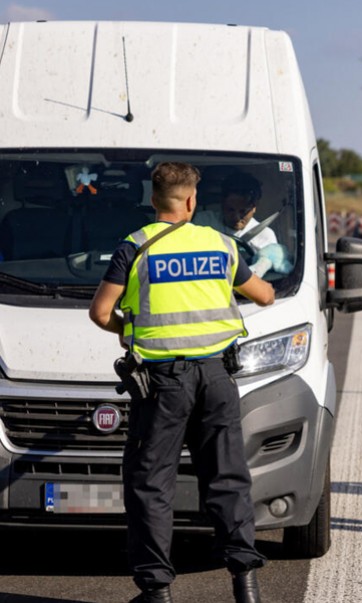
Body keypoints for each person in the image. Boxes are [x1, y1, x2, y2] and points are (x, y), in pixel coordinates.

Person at [89, 162, 275, 603]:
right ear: (191, 200)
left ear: (153, 200)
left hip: (163, 384)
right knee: (227, 477)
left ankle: (157, 592)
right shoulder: (219, 244)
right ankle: (245, 583)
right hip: (216, 377)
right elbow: (265, 295)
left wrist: (130, 330)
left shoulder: (135, 246)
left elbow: (100, 312)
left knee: (152, 484)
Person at [194, 171, 277, 250]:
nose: (236, 218)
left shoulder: (264, 235)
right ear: (222, 203)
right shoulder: (202, 223)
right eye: (230, 210)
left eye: (243, 212)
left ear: (254, 207)